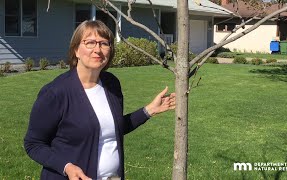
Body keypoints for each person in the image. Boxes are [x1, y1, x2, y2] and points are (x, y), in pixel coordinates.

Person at [24, 20, 176, 180]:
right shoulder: (55, 93)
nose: (97, 49)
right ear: (76, 50)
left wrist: (149, 110)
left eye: (104, 43)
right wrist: (66, 167)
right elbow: (33, 144)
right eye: (90, 43)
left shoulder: (111, 84)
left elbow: (112, 128)